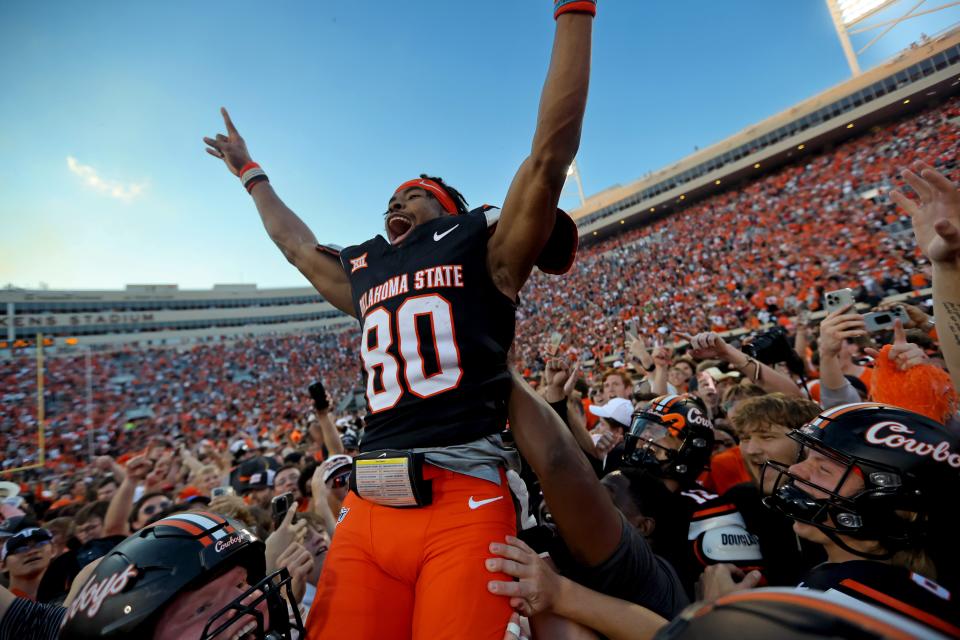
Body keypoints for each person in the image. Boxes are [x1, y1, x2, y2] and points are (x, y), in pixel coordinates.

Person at [204, 3, 594, 637]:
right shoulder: (367, 267)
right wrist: (251, 173)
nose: (394, 199)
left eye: (412, 192)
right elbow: (297, 246)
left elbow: (549, 154)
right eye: (391, 195)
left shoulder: (483, 243)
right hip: (369, 501)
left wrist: (575, 13)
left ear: (449, 209)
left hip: (465, 493)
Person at [706, 403, 960, 636]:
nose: (795, 470)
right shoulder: (897, 581)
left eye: (824, 468)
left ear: (886, 502)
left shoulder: (838, 604)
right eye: (807, 458)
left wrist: (717, 614)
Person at [1, 528, 54, 601]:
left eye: (41, 544)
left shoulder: (68, 591)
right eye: (19, 550)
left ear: (53, 551)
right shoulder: (3, 606)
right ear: (3, 566)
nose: (32, 552)